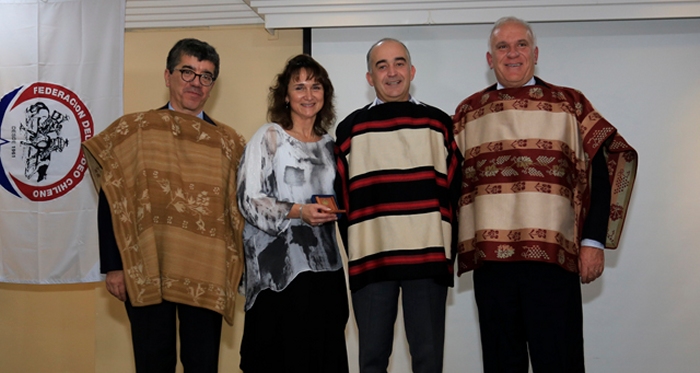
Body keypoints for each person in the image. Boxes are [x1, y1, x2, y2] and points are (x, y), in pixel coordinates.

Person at [452, 17, 638, 372]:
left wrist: (593, 241)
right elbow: (446, 180)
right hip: (492, 266)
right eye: (502, 47)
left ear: (535, 53)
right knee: (501, 363)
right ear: (490, 59)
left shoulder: (570, 103)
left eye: (520, 44)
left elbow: (603, 169)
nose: (512, 54)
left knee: (559, 360)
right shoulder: (468, 113)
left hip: (554, 263)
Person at [81, 38, 246, 373]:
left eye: (205, 76)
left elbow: (239, 209)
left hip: (206, 269)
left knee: (202, 364)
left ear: (212, 85)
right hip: (146, 264)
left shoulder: (230, 143)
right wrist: (114, 265)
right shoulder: (135, 130)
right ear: (167, 75)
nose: (196, 83)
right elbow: (112, 197)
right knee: (153, 362)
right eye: (187, 72)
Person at [335, 38, 462, 373]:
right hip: (372, 260)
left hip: (428, 259)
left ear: (412, 70)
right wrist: (359, 248)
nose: (392, 72)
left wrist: (447, 253)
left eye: (399, 63)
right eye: (382, 65)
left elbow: (455, 192)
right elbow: (342, 202)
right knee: (372, 360)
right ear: (369, 77)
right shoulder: (350, 130)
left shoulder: (439, 124)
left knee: (428, 360)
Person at [236, 54, 349, 373]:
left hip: (325, 271)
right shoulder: (268, 137)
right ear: (285, 95)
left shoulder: (330, 146)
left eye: (316, 86)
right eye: (299, 87)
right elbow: (249, 199)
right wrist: (299, 211)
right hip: (279, 277)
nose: (308, 95)